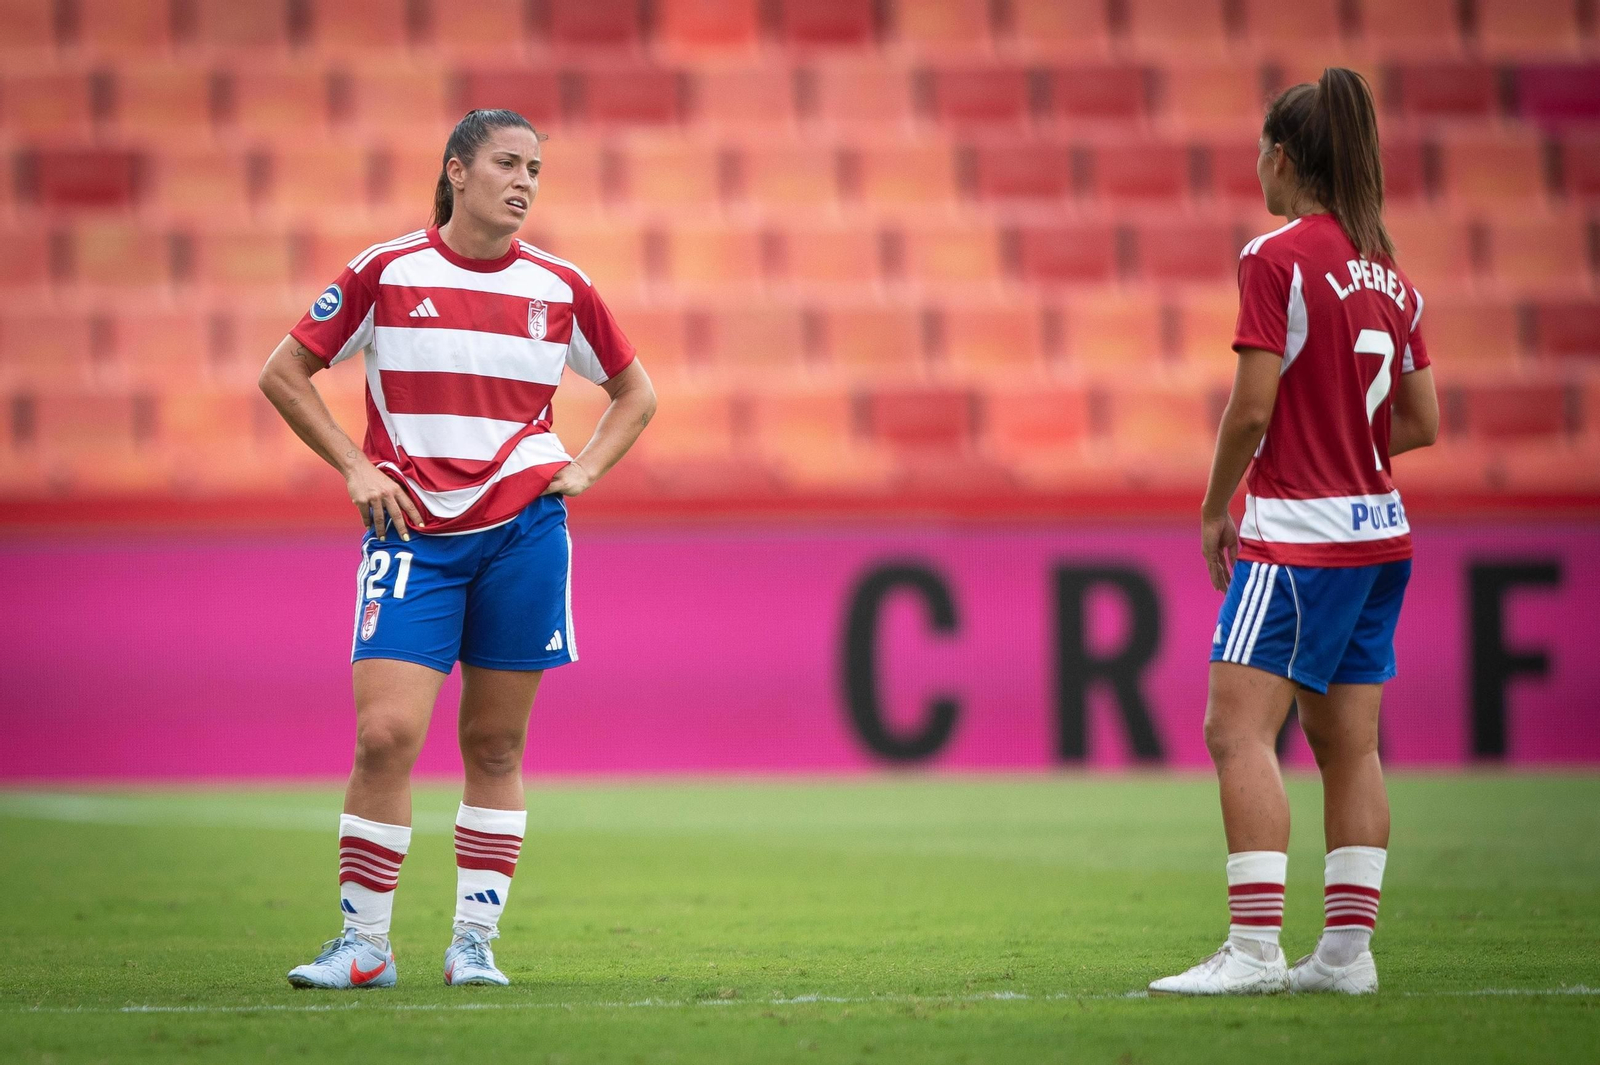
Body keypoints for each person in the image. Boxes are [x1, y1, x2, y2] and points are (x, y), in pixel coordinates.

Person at [258, 109, 656, 989]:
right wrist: (357, 469)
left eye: (536, 170)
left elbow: (637, 392)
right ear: (457, 170)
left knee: (496, 745)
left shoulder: (560, 287)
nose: (524, 182)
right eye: (508, 163)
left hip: (524, 534)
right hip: (412, 535)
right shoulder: (386, 272)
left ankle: (473, 943)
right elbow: (282, 372)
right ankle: (365, 944)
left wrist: (583, 468)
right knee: (386, 734)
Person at [1149, 69, 1439, 996]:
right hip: (1379, 531)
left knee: (1236, 730)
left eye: (1257, 153)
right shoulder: (1388, 272)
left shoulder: (1274, 258)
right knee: (1349, 742)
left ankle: (1256, 950)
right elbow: (1421, 421)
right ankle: (1348, 959)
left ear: (1281, 157)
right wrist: (1348, 438)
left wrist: (1213, 503)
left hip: (1296, 534)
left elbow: (1251, 406)